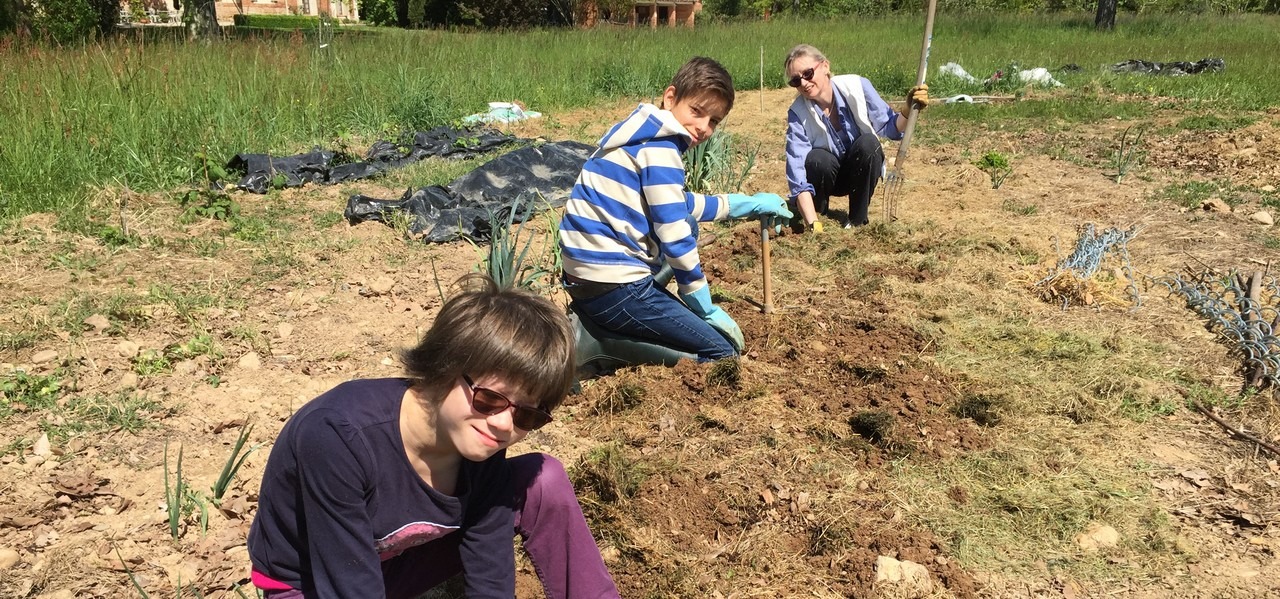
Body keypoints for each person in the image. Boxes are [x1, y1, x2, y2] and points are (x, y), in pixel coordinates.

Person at [247, 274, 620, 599]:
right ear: (445, 367)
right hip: (313, 582)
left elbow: (490, 568)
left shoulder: (479, 439)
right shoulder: (338, 436)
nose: (505, 425)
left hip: (396, 563)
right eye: (490, 398)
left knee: (544, 478)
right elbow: (345, 585)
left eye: (527, 414)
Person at [559, 56, 793, 364]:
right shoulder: (661, 150)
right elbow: (675, 237)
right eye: (697, 111)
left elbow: (679, 205)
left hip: (585, 281)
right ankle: (602, 344)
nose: (703, 127)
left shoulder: (639, 135)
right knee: (721, 351)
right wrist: (702, 304)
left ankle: (616, 322)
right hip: (613, 288)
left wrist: (745, 204)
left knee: (688, 224)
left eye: (714, 121)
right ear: (671, 98)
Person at [783, 44, 930, 231]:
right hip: (828, 177)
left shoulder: (857, 86)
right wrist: (813, 224)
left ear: (825, 66)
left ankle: (857, 221)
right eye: (796, 81)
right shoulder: (798, 112)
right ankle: (820, 213)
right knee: (817, 159)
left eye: (808, 73)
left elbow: (890, 128)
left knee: (869, 143)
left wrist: (908, 109)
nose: (803, 83)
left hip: (859, 171)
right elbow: (797, 171)